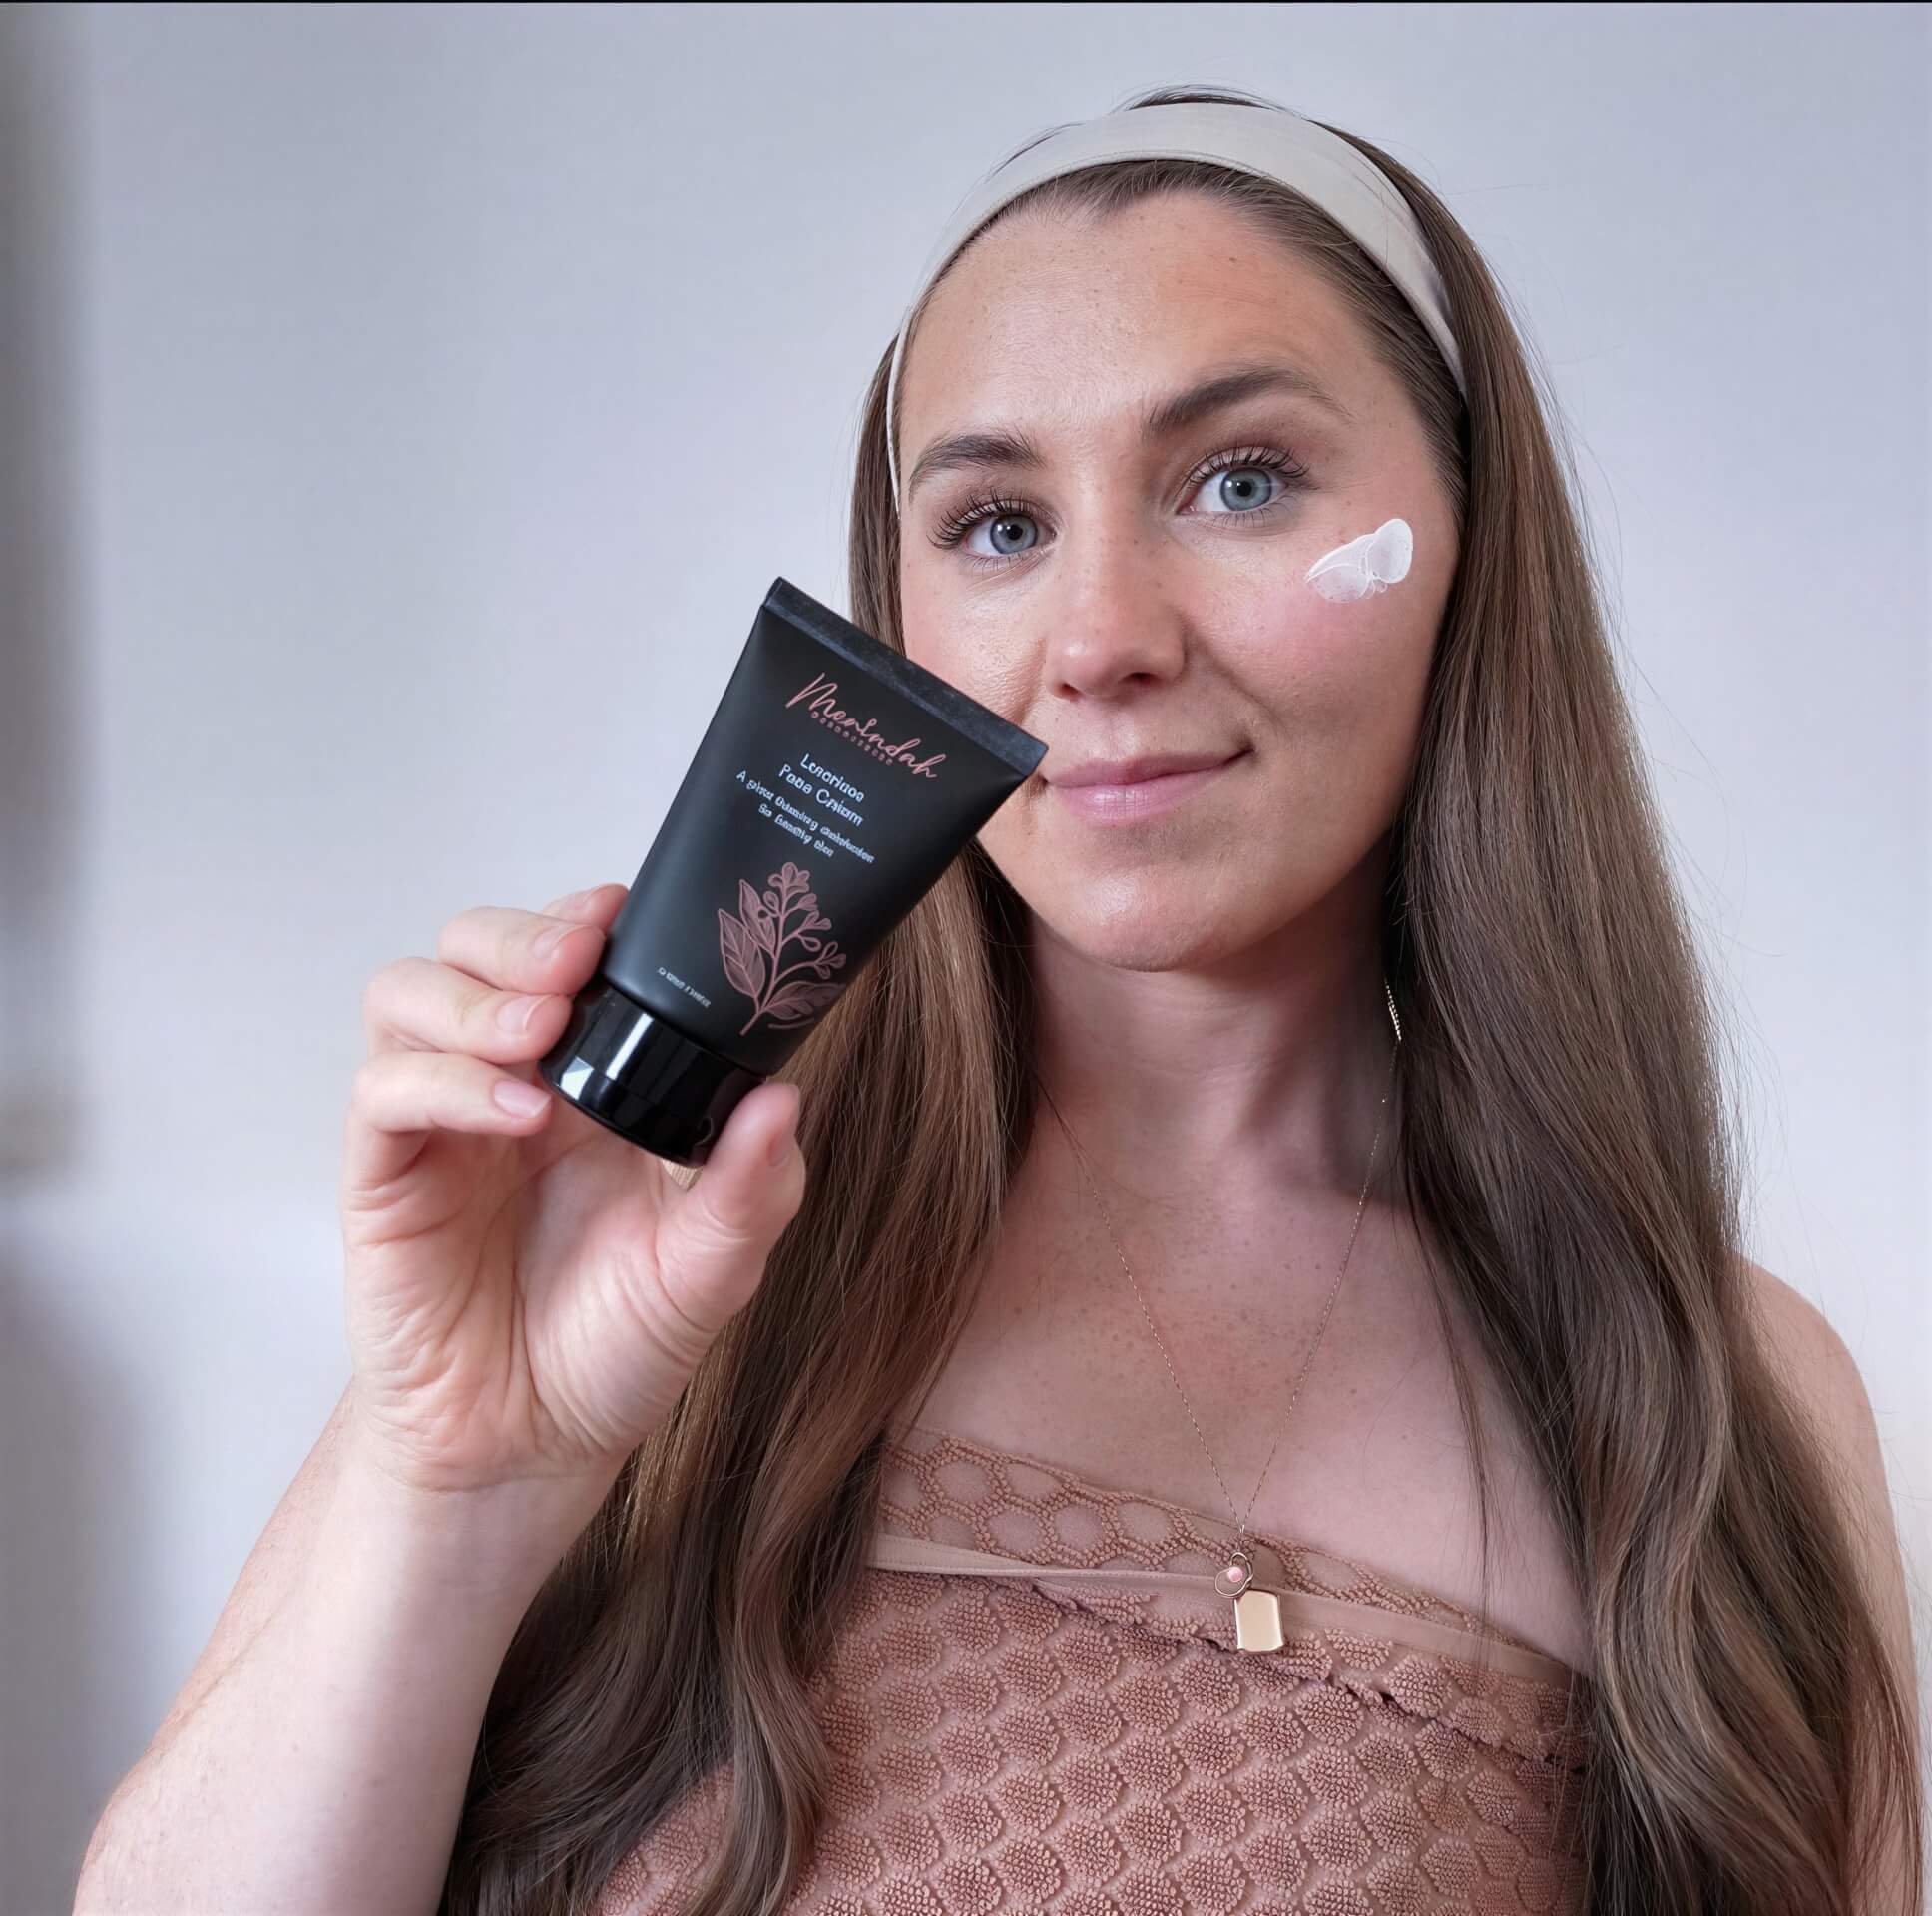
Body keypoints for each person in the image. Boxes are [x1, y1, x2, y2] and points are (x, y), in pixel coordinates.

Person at [76, 84, 1922, 1916]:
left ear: (1470, 543)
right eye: (997, 525)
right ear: (902, 616)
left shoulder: (1724, 1414)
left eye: (1243, 481)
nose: (1100, 637)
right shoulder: (648, 1242)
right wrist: (455, 1481)